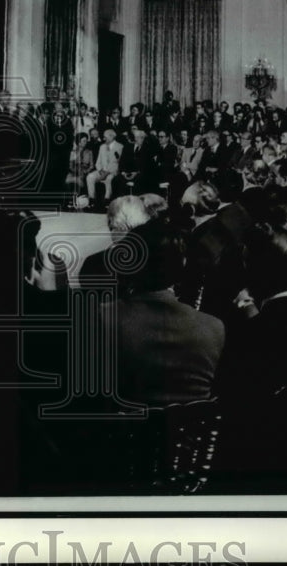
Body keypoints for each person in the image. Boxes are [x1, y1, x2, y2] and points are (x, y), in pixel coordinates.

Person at [101, 221, 225, 406]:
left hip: (126, 431)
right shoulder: (214, 327)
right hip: (195, 430)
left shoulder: (102, 317)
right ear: (182, 264)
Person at [85, 128, 122, 208]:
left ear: (112, 137)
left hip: (113, 172)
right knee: (90, 177)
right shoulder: (102, 147)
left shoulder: (120, 147)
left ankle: (107, 200)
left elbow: (118, 163)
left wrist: (107, 172)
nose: (103, 138)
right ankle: (92, 199)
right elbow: (98, 162)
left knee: (109, 179)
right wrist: (100, 170)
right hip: (102, 171)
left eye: (105, 137)